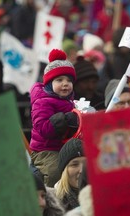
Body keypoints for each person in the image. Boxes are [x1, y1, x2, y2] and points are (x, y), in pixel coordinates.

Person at [29, 48, 79, 187]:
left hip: (64, 147)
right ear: (49, 84)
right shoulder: (42, 101)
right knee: (55, 172)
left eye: (69, 80)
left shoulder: (69, 101)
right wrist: (65, 119)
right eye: (59, 80)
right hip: (46, 150)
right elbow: (44, 127)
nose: (65, 83)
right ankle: (50, 196)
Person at [55, 138, 86, 212]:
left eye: (86, 164)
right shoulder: (54, 206)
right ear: (64, 171)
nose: (81, 170)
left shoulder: (105, 197)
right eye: (74, 165)